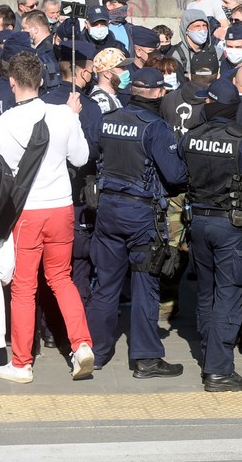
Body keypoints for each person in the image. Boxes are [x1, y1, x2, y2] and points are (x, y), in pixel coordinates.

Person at [0, 53, 94, 384]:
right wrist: (73, 118)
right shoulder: (62, 115)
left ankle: (22, 362)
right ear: (43, 81)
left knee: (23, 287)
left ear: (12, 82)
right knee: (62, 279)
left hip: (25, 214)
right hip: (60, 208)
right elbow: (82, 157)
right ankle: (82, 344)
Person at [88, 67, 188, 378]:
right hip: (141, 216)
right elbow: (175, 176)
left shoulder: (108, 120)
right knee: (146, 284)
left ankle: (96, 352)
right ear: (159, 93)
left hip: (106, 210)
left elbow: (93, 156)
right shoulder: (155, 127)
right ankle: (146, 358)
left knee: (105, 284)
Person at [177, 79, 242, 391]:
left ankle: (210, 357)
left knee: (207, 294)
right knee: (228, 295)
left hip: (198, 223)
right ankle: (219, 370)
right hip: (230, 227)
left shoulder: (191, 138)